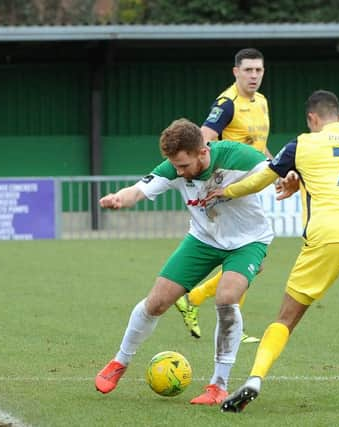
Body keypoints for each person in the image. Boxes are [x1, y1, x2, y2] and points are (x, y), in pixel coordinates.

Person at [205, 90, 339, 412]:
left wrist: (225, 191)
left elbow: (259, 180)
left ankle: (255, 378)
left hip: (325, 234)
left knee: (286, 318)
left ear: (312, 118)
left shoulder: (301, 144)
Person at [94, 118, 274, 405]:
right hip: (202, 240)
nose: (178, 172)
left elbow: (276, 169)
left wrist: (289, 178)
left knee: (227, 299)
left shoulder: (238, 156)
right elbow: (139, 189)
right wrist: (120, 197)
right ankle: (120, 362)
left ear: (202, 152)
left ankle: (218, 385)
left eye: (183, 165)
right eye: (174, 166)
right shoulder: (174, 167)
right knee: (156, 302)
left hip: (248, 241)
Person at [174, 47, 272, 344]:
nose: (254, 75)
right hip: (228, 190)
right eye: (248, 70)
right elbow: (203, 138)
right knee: (246, 254)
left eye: (258, 70)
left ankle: (197, 298)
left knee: (252, 259)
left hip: (250, 186)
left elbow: (258, 146)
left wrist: (275, 170)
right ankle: (204, 305)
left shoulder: (262, 102)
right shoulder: (227, 103)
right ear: (236, 72)